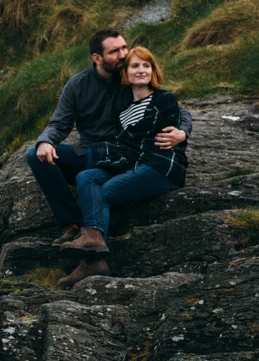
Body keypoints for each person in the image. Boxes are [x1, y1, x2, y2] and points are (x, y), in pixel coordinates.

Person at [25, 29, 191, 246]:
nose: (123, 54)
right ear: (97, 58)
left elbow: (168, 104)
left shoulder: (129, 77)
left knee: (91, 178)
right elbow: (60, 123)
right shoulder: (77, 85)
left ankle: (92, 231)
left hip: (126, 153)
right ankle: (72, 225)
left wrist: (183, 131)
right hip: (91, 151)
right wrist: (46, 141)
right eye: (115, 51)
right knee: (36, 156)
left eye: (124, 47)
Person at [56, 46, 188, 286]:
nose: (141, 70)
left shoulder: (162, 98)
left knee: (104, 193)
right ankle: (94, 254)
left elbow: (163, 127)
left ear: (153, 70)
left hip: (160, 167)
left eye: (146, 65)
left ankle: (90, 254)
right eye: (135, 66)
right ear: (125, 73)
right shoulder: (124, 110)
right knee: (86, 177)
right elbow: (127, 145)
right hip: (134, 166)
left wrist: (182, 133)